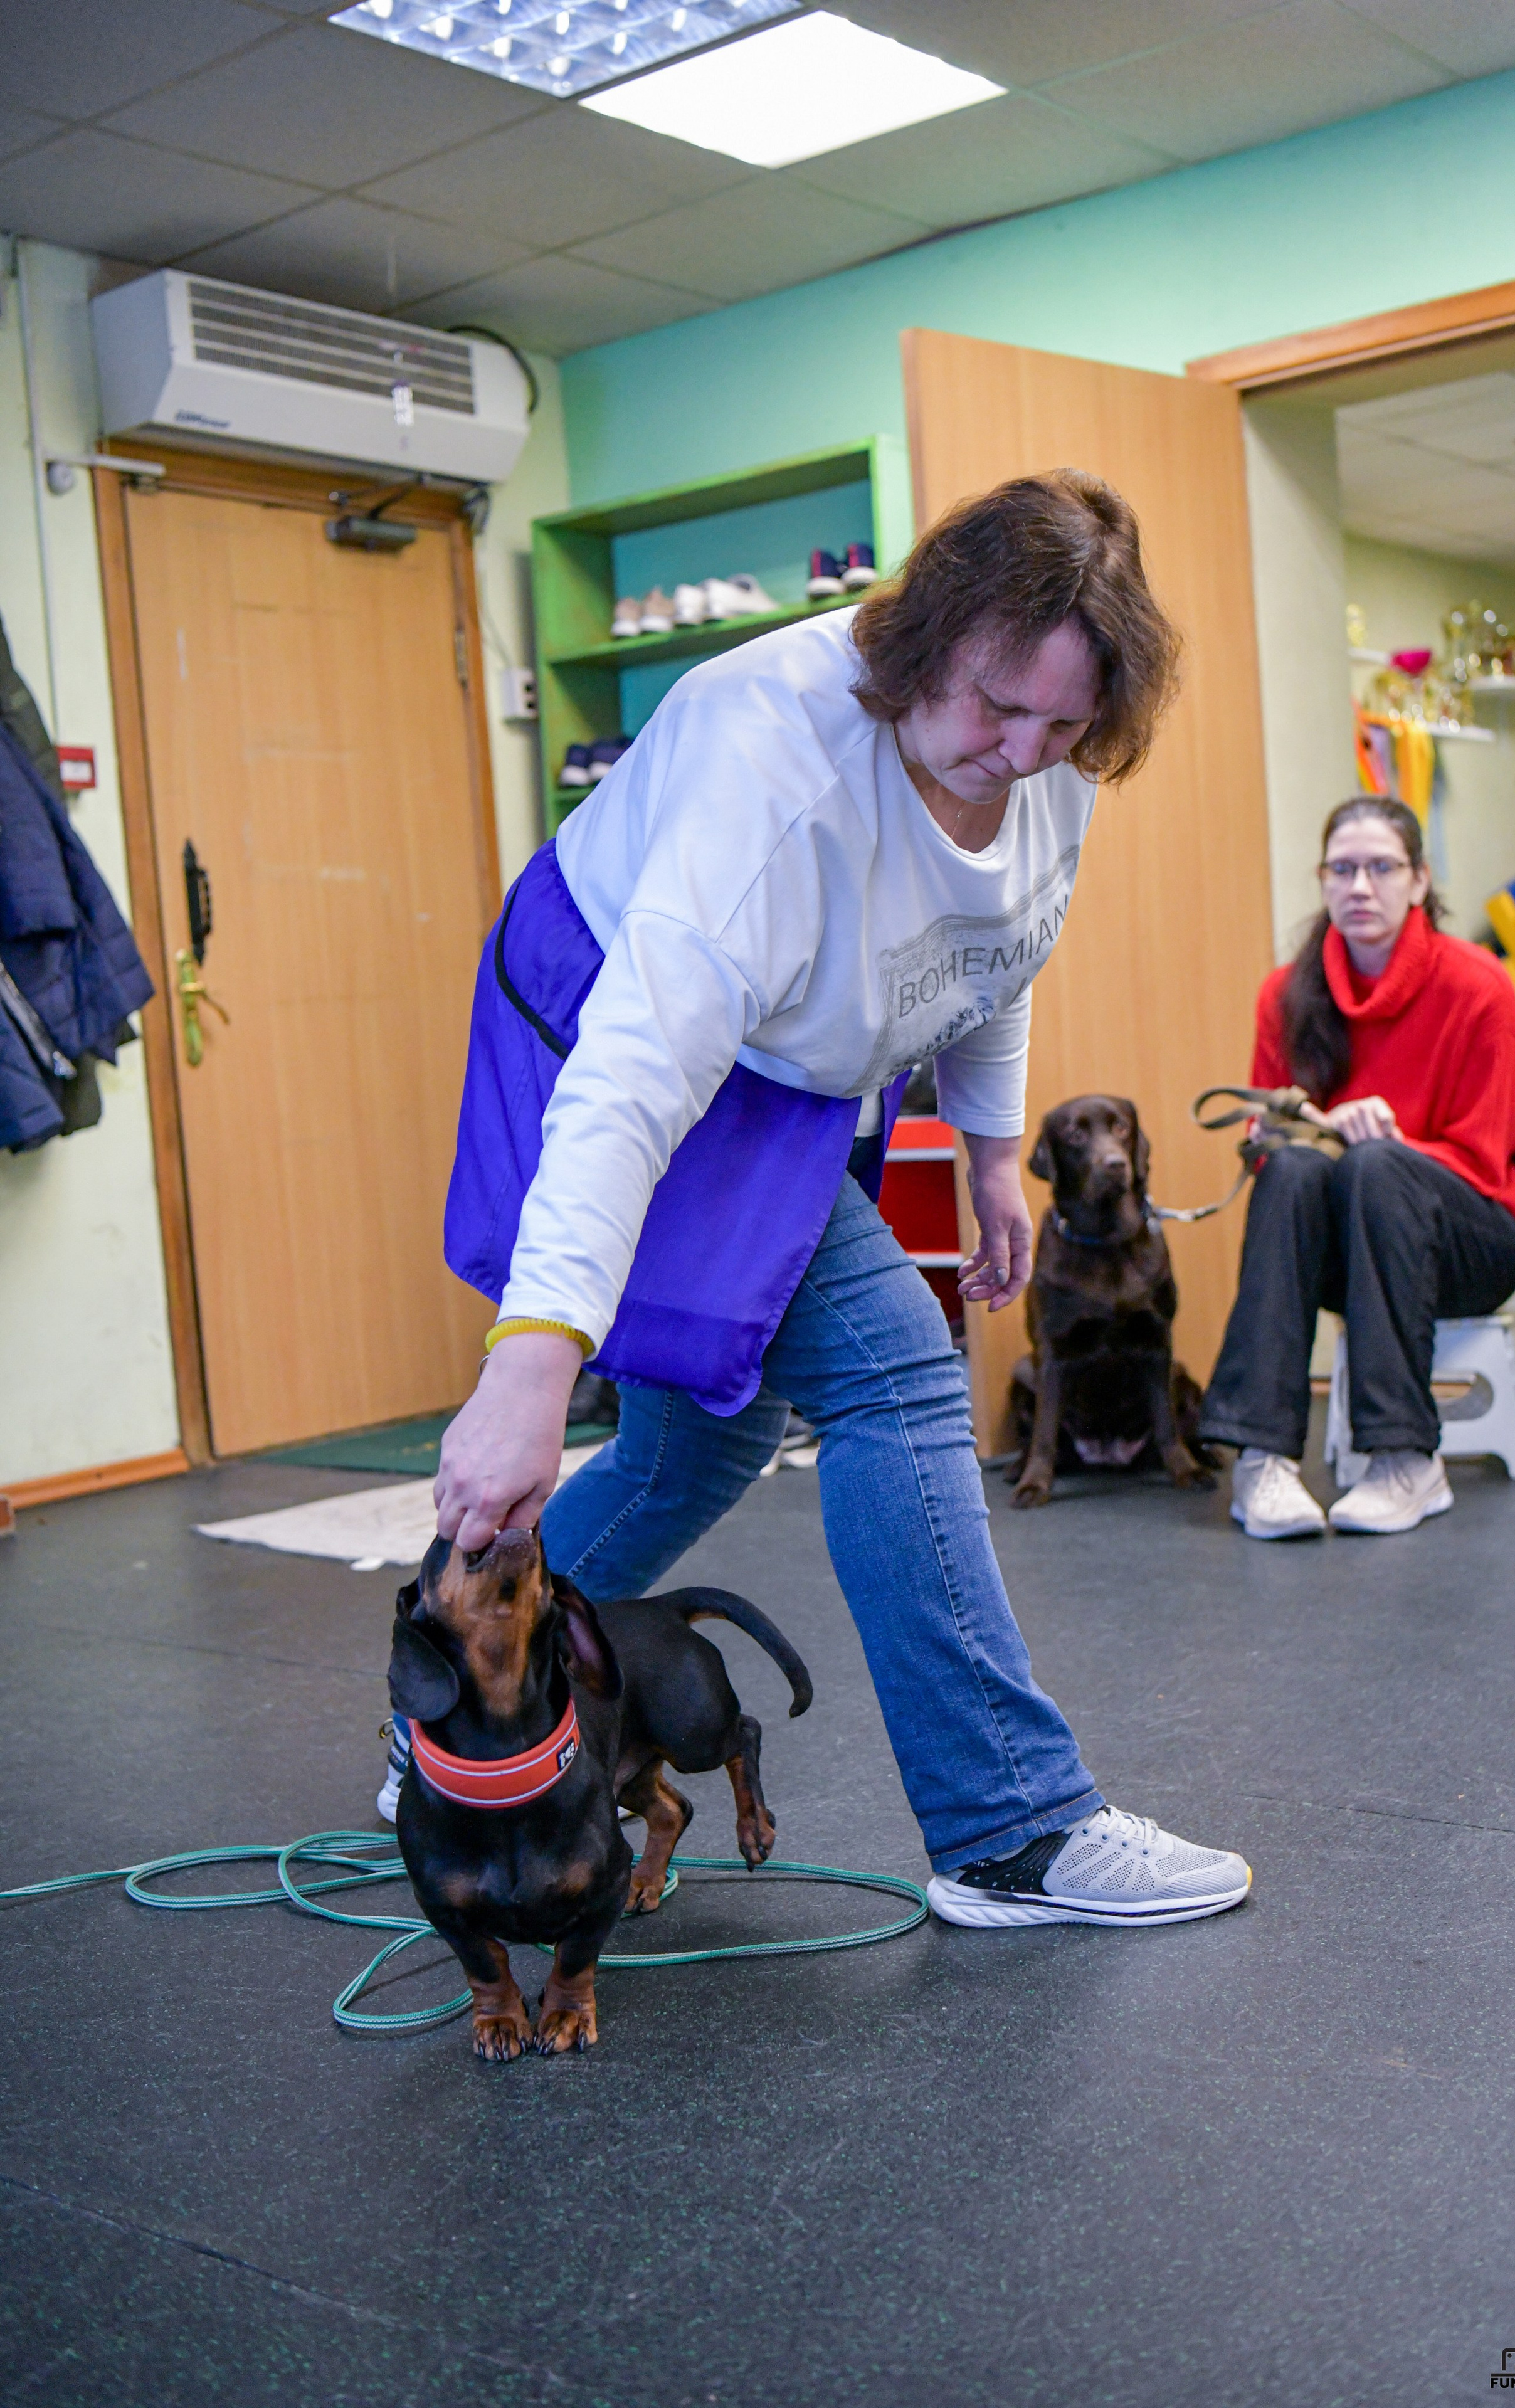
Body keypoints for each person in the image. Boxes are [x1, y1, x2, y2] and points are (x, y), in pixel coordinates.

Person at [408, 471, 1252, 1931]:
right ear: (923, 639)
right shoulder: (772, 760)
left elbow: (988, 946)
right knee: (896, 1373)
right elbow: (632, 1076)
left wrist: (991, 1148)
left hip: (789, 1070)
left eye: (1062, 726)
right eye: (997, 706)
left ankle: (452, 1742)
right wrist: (530, 1357)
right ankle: (1005, 1825)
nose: (1019, 753)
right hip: (604, 1027)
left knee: (704, 1437)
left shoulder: (1045, 759)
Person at [1201, 796, 1515, 1539]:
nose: (1360, 887)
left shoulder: (1479, 986)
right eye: (1342, 869)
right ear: (1322, 881)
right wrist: (1318, 1131)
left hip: (1476, 1238)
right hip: (1351, 1246)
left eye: (1381, 868)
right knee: (1289, 1171)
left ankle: (1404, 1461)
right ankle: (1260, 1460)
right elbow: (1270, 1144)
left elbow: (1485, 1156)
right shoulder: (1285, 995)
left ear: (1419, 881)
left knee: (1377, 1169)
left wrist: (1380, 1144)